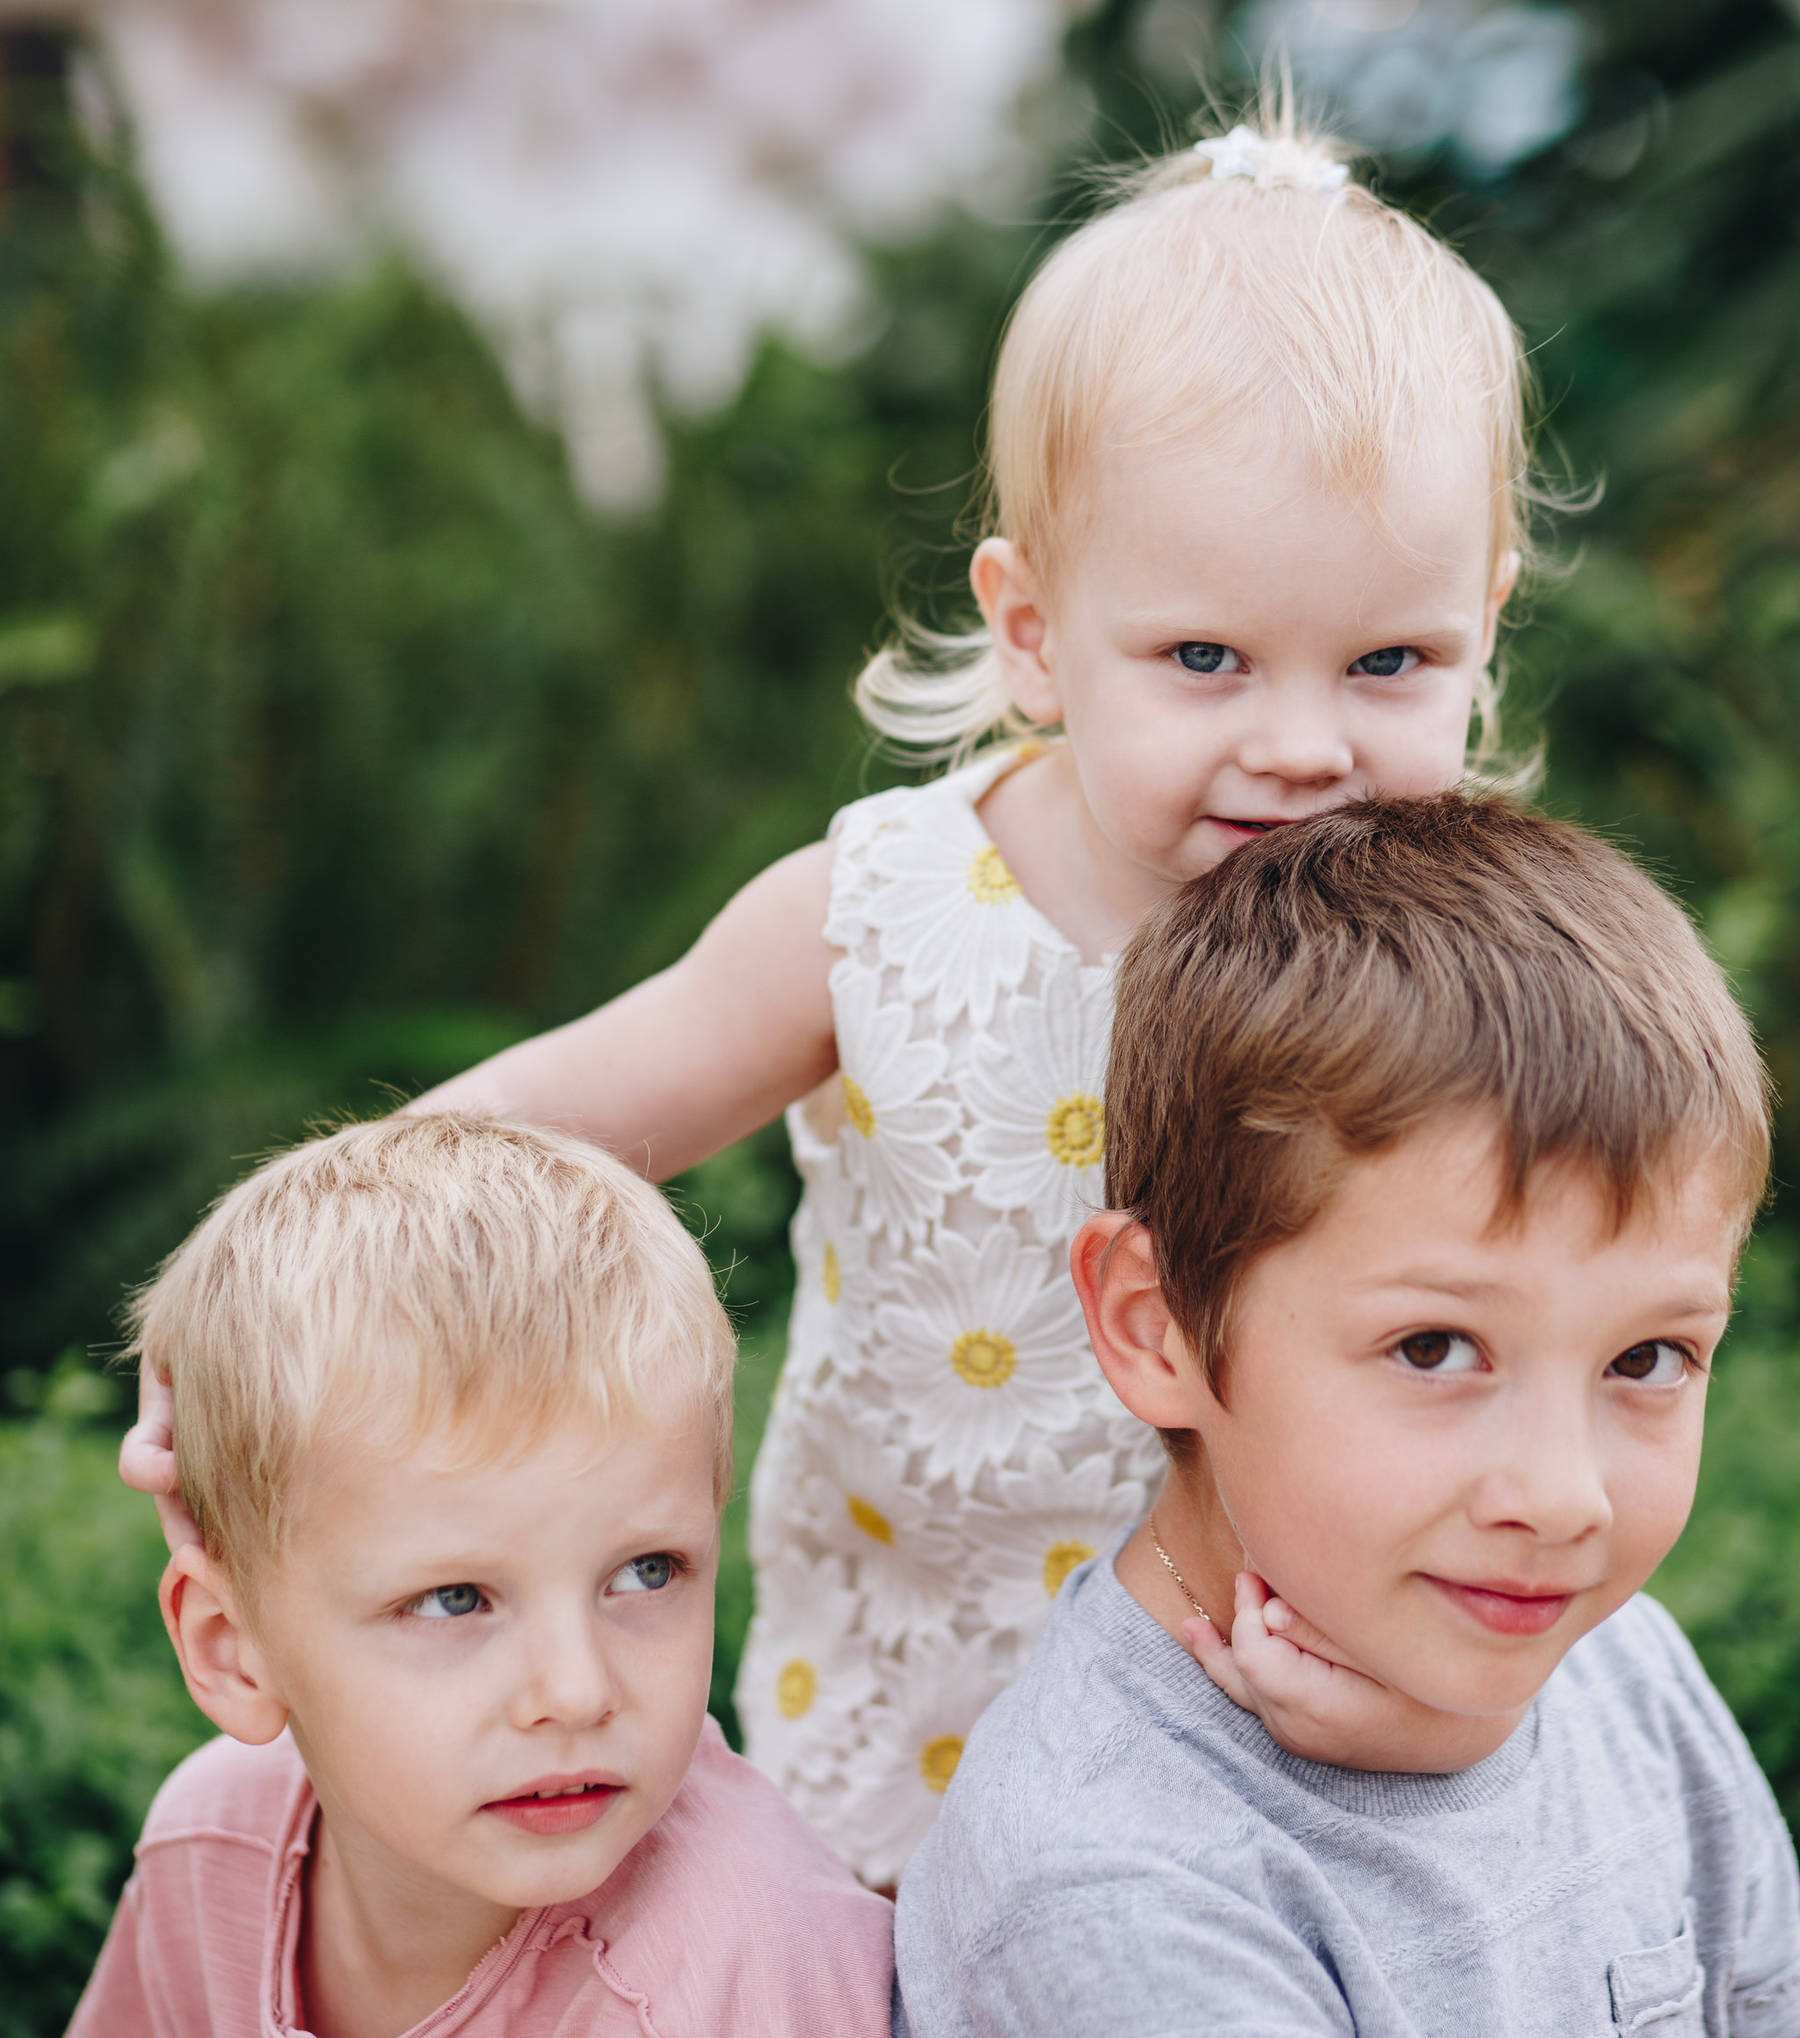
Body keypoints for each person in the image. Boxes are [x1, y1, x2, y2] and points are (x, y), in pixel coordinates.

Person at [123, 110, 1543, 1885]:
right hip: (911, 1732)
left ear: (1485, 622)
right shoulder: (883, 918)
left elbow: (1557, 1349)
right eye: (1203, 658)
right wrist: (245, 1286)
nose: (1304, 743)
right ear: (1031, 627)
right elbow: (558, 1113)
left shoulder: (1479, 965)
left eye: (1392, 661)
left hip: (1290, 1733)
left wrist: (1449, 1692)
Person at [892, 793, 1800, 2037]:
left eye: (1648, 1356)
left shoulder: (1615, 1671)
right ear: (1156, 1325)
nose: (1565, 1495)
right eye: (1436, 1347)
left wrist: (1453, 1737)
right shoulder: (1117, 1888)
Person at [74, 1116, 893, 2038]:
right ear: (231, 1650)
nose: (577, 1692)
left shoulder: (757, 1982)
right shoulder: (210, 1845)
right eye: (454, 1599)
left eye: (645, 1572)